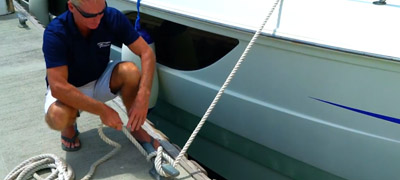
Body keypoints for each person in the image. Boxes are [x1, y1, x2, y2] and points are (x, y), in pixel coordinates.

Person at [42, 0, 159, 152]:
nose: (98, 19)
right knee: (57, 117)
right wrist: (103, 110)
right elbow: (58, 88)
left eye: (101, 12)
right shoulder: (55, 32)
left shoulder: (111, 17)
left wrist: (144, 95)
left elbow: (146, 53)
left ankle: (135, 128)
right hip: (70, 89)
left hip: (100, 78)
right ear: (71, 7)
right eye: (90, 16)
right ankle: (69, 127)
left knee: (130, 71)